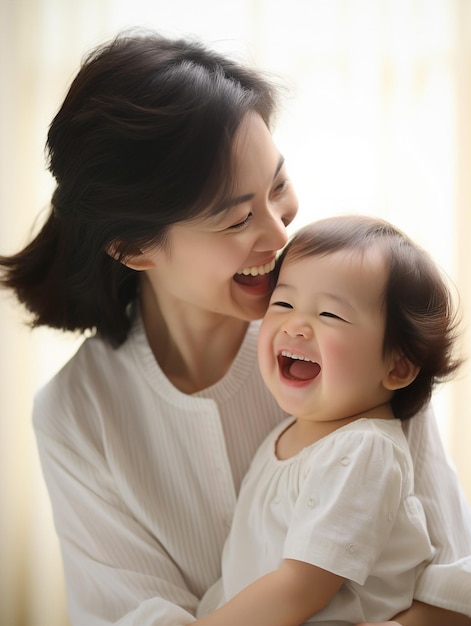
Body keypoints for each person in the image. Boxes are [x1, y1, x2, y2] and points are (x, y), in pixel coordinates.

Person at [0, 30, 470, 626]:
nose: (280, 238)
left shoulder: (352, 331)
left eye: (278, 187)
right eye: (237, 218)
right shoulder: (79, 412)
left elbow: (454, 578)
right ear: (136, 248)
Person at [194, 215, 470, 626]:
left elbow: (300, 587)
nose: (296, 325)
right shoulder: (287, 435)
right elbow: (247, 570)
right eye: (283, 303)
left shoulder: (363, 449)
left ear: (397, 367)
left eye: (330, 315)